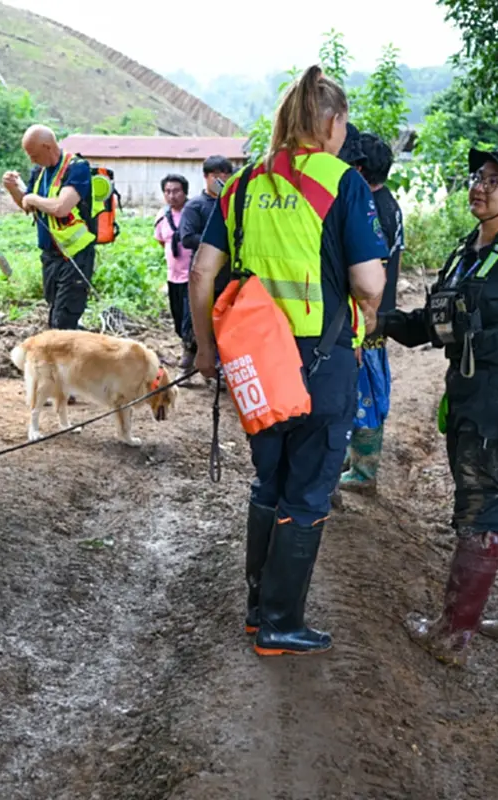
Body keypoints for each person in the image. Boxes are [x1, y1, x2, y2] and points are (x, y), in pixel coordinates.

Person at [188, 66, 388, 656]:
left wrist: (205, 348)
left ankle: (258, 611)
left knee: (269, 482)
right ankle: (280, 623)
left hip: (256, 362)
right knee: (306, 493)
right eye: (342, 123)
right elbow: (369, 283)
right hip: (321, 365)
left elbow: (202, 271)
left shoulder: (244, 184)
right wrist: (368, 306)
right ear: (329, 122)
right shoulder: (343, 182)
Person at [378, 145, 498, 667]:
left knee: (481, 511)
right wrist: (385, 321)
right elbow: (436, 323)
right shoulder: (466, 252)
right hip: (466, 397)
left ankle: (452, 634)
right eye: (478, 176)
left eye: (495, 180)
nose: (479, 186)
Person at [338, 131, 404, 497]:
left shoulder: (371, 208)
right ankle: (355, 462)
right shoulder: (387, 202)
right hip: (378, 315)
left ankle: (363, 471)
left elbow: (368, 277)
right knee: (365, 390)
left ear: (358, 169)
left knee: (365, 395)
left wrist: (362, 323)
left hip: (368, 318)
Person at [3, 125, 95, 331]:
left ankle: (72, 357)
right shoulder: (39, 172)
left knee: (63, 319)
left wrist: (33, 198)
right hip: (50, 256)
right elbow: (27, 206)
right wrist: (13, 189)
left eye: (34, 155)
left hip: (75, 255)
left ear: (47, 147)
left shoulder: (77, 168)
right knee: (55, 310)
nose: (31, 160)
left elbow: (61, 207)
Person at [178, 155, 235, 373]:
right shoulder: (196, 206)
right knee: (196, 320)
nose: (220, 179)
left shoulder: (233, 204)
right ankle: (189, 362)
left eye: (225, 175)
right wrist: (218, 243)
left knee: (225, 322)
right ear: (206, 177)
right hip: (203, 274)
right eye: (215, 175)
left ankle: (221, 367)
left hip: (229, 276)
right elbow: (187, 237)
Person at [154, 174, 194, 364]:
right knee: (178, 320)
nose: (172, 195)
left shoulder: (194, 211)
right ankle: (188, 346)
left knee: (189, 320)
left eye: (176, 191)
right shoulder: (162, 215)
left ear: (185, 191)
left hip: (194, 276)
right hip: (173, 276)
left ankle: (189, 357)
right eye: (167, 191)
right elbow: (162, 241)